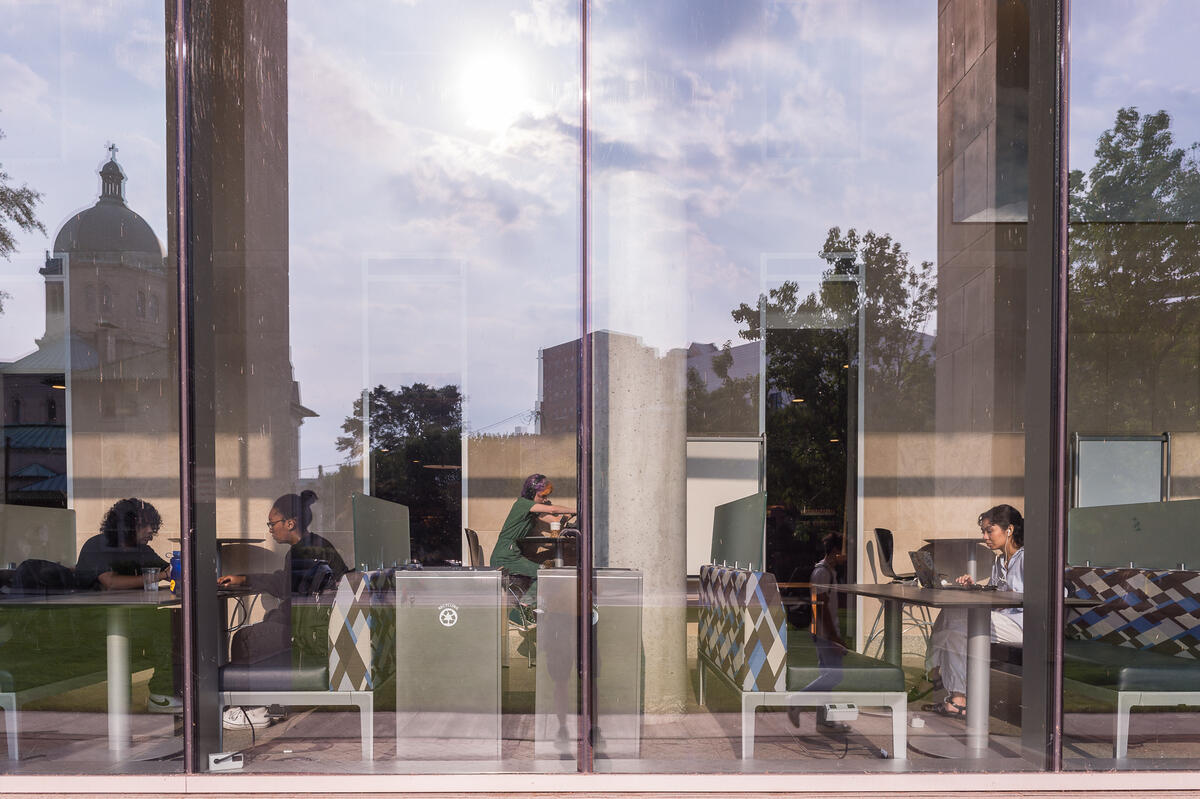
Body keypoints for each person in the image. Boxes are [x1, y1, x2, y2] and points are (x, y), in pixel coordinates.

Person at [217, 489, 348, 730]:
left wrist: (245, 580)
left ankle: (251, 709)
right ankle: (268, 703)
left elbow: (285, 589)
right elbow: (286, 583)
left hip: (306, 633)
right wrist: (243, 578)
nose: (270, 528)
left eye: (272, 523)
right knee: (259, 631)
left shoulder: (303, 553)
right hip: (318, 628)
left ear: (290, 523)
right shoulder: (315, 544)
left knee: (245, 638)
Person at [75, 498, 180, 713]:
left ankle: (166, 693)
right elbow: (111, 582)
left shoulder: (141, 550)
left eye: (153, 525)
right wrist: (161, 575)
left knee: (175, 623)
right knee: (166, 625)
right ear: (127, 526)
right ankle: (161, 694)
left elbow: (169, 570)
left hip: (131, 618)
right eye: (145, 525)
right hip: (94, 622)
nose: (152, 530)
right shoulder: (98, 545)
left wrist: (176, 568)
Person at [925, 503, 1025, 719]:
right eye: (983, 531)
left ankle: (942, 679)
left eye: (990, 530)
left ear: (1009, 530)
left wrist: (1010, 597)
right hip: (1002, 621)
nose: (985, 536)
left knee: (958, 618)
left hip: (1023, 625)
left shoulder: (1027, 559)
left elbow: (1058, 592)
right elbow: (994, 593)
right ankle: (954, 694)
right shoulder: (999, 561)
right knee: (951, 613)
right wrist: (975, 587)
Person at [489, 474, 575, 623]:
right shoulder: (522, 503)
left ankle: (523, 610)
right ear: (531, 492)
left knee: (545, 572)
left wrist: (567, 516)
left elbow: (555, 520)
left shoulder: (532, 510)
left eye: (546, 496)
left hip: (512, 553)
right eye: (542, 496)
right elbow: (553, 510)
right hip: (505, 555)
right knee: (544, 573)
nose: (545, 499)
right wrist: (577, 509)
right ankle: (524, 607)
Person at [788, 531, 849, 730]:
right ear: (833, 551)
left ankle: (825, 720)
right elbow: (821, 606)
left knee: (827, 675)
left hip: (824, 632)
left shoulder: (829, 572)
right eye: (842, 552)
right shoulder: (822, 572)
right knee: (835, 676)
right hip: (824, 632)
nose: (845, 556)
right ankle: (797, 700)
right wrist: (833, 636)